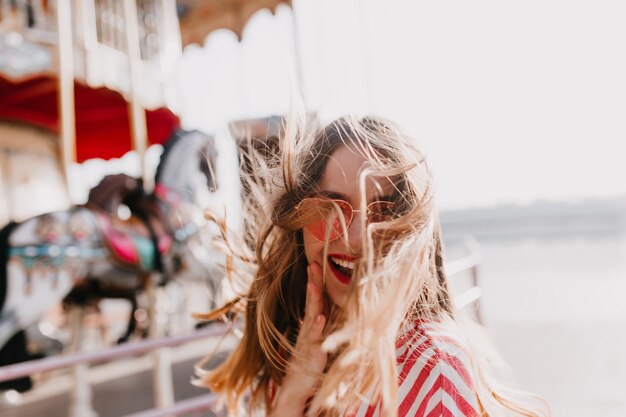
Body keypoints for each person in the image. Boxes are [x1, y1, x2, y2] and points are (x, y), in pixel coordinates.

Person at [197, 115, 548, 417]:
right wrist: (291, 397)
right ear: (300, 218)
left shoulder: (432, 367)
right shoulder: (291, 348)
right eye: (332, 208)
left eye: (382, 214)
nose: (353, 238)